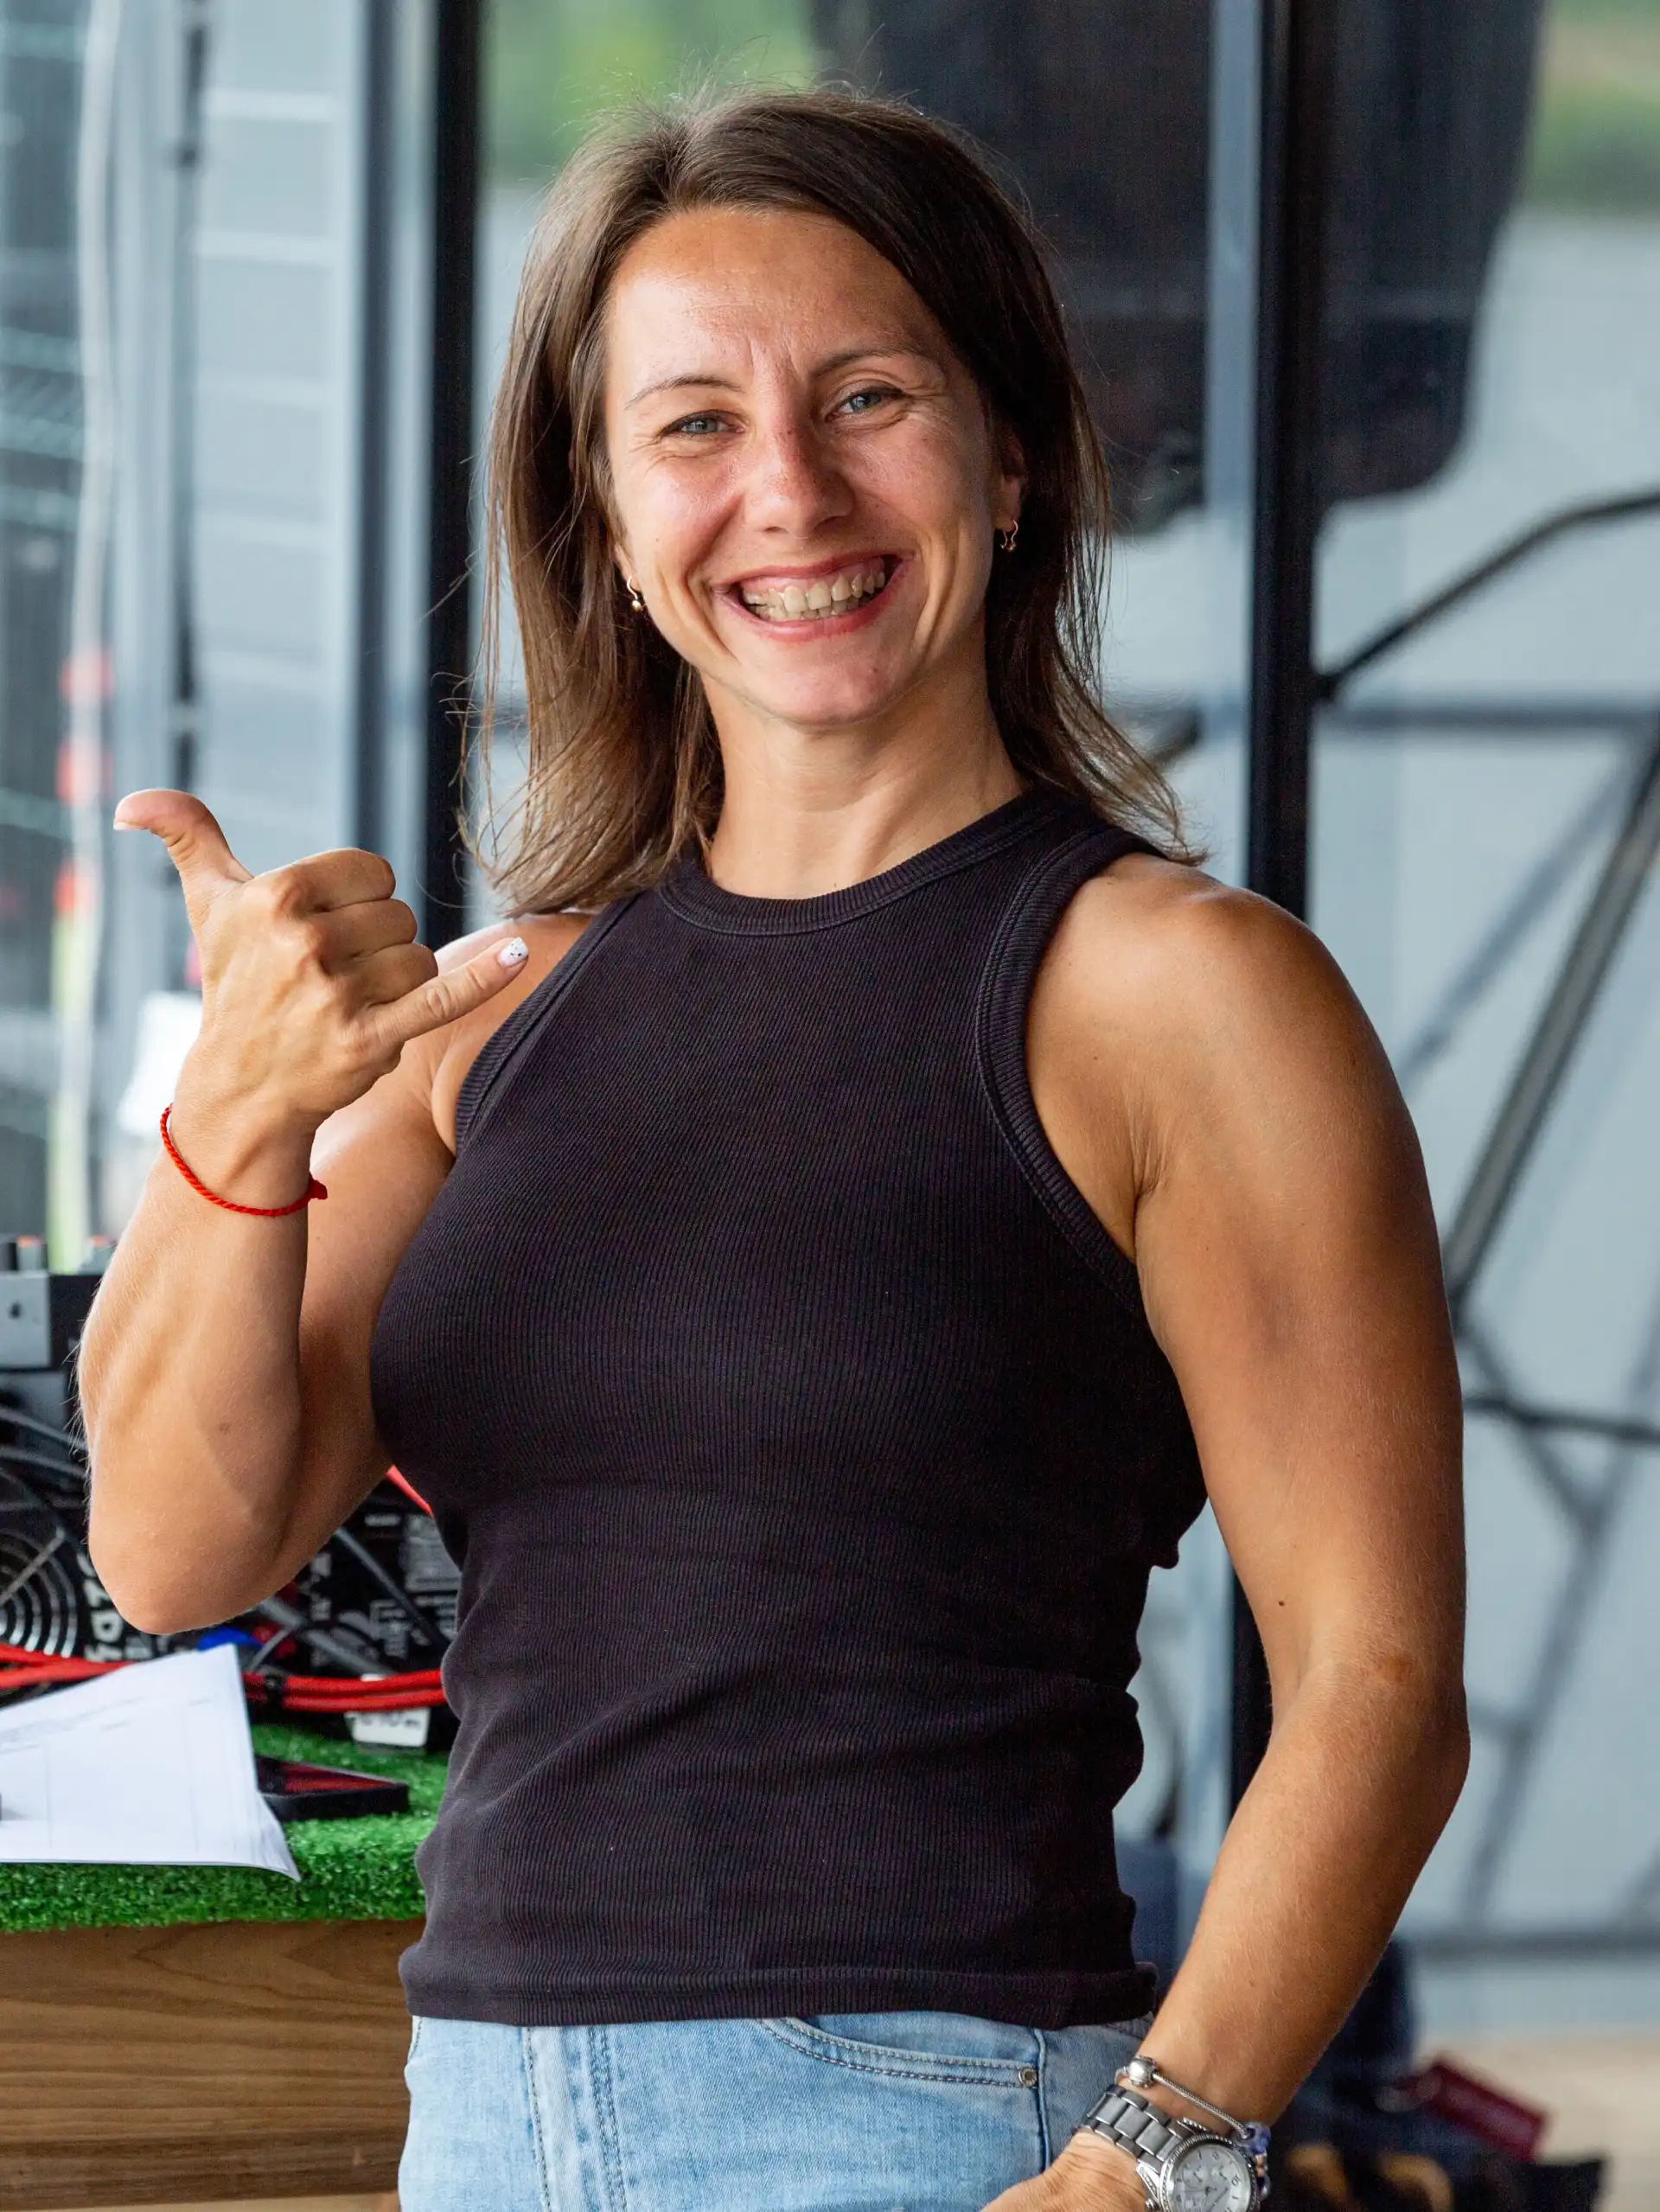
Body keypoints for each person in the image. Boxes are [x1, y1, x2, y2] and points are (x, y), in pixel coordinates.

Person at [81, 87, 1467, 2212]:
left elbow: (1378, 1678)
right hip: (485, 2123)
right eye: (697, 425)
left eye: (870, 398)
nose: (792, 491)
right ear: (610, 517)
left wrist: (1150, 2164)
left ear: (1013, 458)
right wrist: (240, 1108)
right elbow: (178, 1554)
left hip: (923, 2118)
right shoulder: (490, 1017)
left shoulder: (1180, 994)